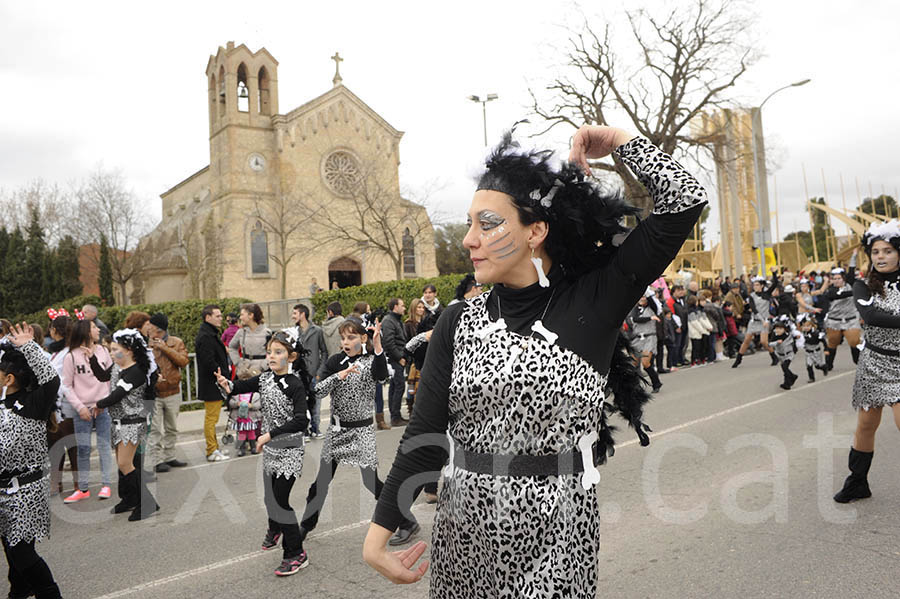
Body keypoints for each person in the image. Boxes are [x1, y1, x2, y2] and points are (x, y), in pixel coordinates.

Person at [364, 124, 706, 596]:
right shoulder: (456, 320)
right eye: (469, 223)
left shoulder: (595, 300)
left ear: (536, 231)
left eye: (488, 223)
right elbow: (425, 435)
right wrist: (379, 535)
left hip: (557, 536)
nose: (468, 239)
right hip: (461, 535)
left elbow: (685, 202)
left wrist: (621, 142)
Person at [299, 320, 419, 545]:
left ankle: (406, 521)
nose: (346, 342)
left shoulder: (372, 360)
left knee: (371, 483)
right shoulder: (336, 361)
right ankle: (306, 525)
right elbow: (318, 391)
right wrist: (338, 376)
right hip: (336, 432)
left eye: (351, 337)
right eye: (343, 337)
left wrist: (379, 347)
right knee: (320, 483)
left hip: (361, 431)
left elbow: (383, 377)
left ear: (363, 339)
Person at [215, 329, 313, 576]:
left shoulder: (295, 385)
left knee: (281, 503)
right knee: (271, 500)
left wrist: (270, 434)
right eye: (269, 352)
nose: (271, 356)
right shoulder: (265, 378)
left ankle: (296, 554)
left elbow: (302, 420)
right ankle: (278, 530)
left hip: (289, 449)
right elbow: (239, 386)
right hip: (270, 450)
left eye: (278, 352)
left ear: (291, 357)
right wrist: (227, 384)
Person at [833, 220, 900, 503]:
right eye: (875, 252)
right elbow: (871, 318)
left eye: (887, 251)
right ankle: (858, 482)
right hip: (873, 362)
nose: (880, 257)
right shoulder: (862, 285)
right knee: (866, 425)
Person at [0, 324, 64, 598]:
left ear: (9, 378)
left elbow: (51, 380)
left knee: (22, 553)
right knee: (13, 555)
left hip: (27, 489)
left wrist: (29, 346)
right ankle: (19, 592)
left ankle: (50, 594)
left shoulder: (33, 403)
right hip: (3, 491)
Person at [88, 329, 159, 521]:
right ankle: (135, 500)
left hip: (133, 422)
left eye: (115, 349)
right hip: (120, 422)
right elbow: (105, 378)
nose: (111, 353)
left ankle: (147, 502)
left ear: (128, 350)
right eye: (111, 349)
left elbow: (118, 393)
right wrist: (92, 358)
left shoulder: (137, 372)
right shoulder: (118, 368)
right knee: (124, 465)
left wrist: (99, 404)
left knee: (125, 463)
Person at [61, 319, 115, 504]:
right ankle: (83, 488)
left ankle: (106, 484)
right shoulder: (71, 356)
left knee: (104, 447)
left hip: (102, 407)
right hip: (82, 410)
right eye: (93, 327)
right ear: (85, 331)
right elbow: (67, 386)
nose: (98, 329)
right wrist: (80, 407)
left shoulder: (103, 351)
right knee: (83, 449)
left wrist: (104, 402)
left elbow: (109, 379)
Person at [146, 313, 190, 473]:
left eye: (151, 324)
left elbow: (183, 361)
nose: (148, 327)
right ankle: (157, 460)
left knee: (171, 427)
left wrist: (164, 348)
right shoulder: (146, 344)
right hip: (155, 393)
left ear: (158, 329)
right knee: (155, 429)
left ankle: (170, 456)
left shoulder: (176, 342)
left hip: (172, 390)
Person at [45, 312, 79, 498]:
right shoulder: (56, 352)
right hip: (54, 407)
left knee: (72, 447)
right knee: (55, 447)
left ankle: (78, 484)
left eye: (51, 327)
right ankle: (55, 483)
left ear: (56, 331)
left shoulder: (69, 352)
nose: (49, 331)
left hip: (67, 406)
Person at [195, 305, 230, 462]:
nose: (221, 318)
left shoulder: (210, 334)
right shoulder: (206, 336)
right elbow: (208, 361)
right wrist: (220, 374)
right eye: (217, 316)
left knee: (212, 418)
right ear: (207, 317)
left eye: (221, 316)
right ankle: (211, 450)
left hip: (214, 382)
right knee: (211, 419)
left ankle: (214, 448)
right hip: (212, 383)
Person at [814, 257, 862, 371]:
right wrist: (854, 292)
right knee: (832, 343)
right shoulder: (831, 291)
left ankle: (858, 361)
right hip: (834, 320)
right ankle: (829, 365)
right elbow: (838, 295)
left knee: (854, 341)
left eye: (838, 278)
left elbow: (851, 271)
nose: (836, 281)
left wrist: (854, 257)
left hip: (850, 319)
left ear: (843, 278)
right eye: (834, 279)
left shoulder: (850, 284)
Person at [292, 303, 328, 439]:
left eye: (295, 313)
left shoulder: (317, 330)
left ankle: (315, 428)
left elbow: (324, 351)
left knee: (316, 403)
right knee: (301, 404)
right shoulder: (294, 332)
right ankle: (304, 430)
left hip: (314, 373)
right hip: (299, 373)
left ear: (302, 315)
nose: (292, 316)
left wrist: (320, 371)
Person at [732, 275, 778, 368]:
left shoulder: (767, 294)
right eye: (754, 285)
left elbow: (775, 283)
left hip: (765, 321)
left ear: (761, 286)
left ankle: (774, 356)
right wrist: (760, 319)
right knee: (746, 340)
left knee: (764, 342)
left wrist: (774, 273)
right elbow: (754, 309)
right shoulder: (752, 296)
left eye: (757, 285)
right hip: (754, 320)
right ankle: (738, 359)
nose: (755, 287)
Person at [626, 289, 663, 392]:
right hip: (637, 338)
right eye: (640, 297)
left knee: (646, 363)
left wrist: (647, 290)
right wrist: (650, 318)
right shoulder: (635, 310)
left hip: (649, 338)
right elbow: (635, 319)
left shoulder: (652, 308)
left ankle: (656, 383)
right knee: (633, 364)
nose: (642, 299)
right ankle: (636, 386)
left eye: (643, 297)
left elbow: (652, 301)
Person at [380, 298, 409, 427]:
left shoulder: (396, 320)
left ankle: (395, 415)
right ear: (395, 307)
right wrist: (399, 358)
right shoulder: (389, 321)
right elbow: (389, 343)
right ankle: (395, 417)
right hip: (394, 360)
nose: (404, 308)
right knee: (399, 386)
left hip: (398, 358)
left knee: (395, 386)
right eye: (402, 306)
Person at [227, 364, 262, 456]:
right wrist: (237, 404)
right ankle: (241, 448)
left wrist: (251, 405)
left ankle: (253, 447)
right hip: (240, 418)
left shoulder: (256, 395)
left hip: (251, 418)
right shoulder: (236, 394)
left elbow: (259, 405)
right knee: (241, 434)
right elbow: (231, 403)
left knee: (251, 433)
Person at [228, 303, 271, 374]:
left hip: (261, 372)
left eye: (242, 314)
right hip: (244, 372)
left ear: (251, 315)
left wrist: (263, 366)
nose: (240, 317)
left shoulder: (267, 333)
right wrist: (238, 363)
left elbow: (272, 352)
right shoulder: (241, 332)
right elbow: (232, 347)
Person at [769, 315, 801, 390]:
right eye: (776, 329)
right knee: (784, 369)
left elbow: (793, 339)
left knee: (785, 367)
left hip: (789, 354)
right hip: (780, 355)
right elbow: (769, 344)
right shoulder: (775, 336)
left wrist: (797, 337)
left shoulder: (787, 335)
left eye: (780, 329)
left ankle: (793, 376)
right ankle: (787, 383)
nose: (778, 330)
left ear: (784, 329)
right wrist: (777, 342)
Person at [797, 312, 827, 382]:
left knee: (817, 366)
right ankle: (811, 378)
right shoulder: (802, 334)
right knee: (809, 366)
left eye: (808, 326)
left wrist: (826, 349)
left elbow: (823, 340)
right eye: (804, 326)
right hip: (808, 352)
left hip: (816, 351)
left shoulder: (815, 333)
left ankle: (824, 367)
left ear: (812, 326)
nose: (806, 328)